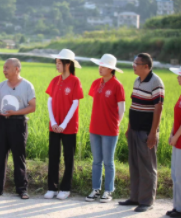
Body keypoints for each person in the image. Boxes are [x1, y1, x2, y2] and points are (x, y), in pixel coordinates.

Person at [0, 58, 36, 199]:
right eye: (3, 67)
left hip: (18, 123)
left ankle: (22, 189)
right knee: (0, 156)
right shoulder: (1, 86)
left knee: (19, 157)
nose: (4, 70)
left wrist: (14, 113)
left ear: (16, 69)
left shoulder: (27, 85)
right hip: (2, 123)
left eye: (7, 68)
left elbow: (32, 107)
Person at [119, 53, 164, 213]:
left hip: (146, 132)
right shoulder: (137, 80)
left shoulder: (155, 81)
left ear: (146, 66)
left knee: (147, 167)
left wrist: (152, 133)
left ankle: (147, 201)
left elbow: (158, 109)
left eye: (136, 63)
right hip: (134, 130)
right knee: (135, 165)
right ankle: (135, 197)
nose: (133, 66)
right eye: (134, 63)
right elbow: (134, 105)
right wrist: (130, 126)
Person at [85, 54, 126, 203]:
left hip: (110, 130)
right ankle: (95, 189)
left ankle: (108, 190)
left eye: (103, 66)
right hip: (95, 128)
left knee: (108, 161)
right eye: (99, 66)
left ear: (111, 69)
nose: (100, 68)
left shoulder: (117, 85)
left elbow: (122, 108)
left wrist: (116, 123)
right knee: (96, 161)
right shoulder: (96, 83)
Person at [44, 49, 84, 200]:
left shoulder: (75, 81)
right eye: (56, 63)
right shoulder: (55, 80)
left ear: (68, 64)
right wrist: (54, 121)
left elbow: (75, 103)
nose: (57, 66)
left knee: (68, 158)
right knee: (53, 156)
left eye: (59, 63)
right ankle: (52, 188)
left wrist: (64, 123)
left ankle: (65, 188)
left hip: (69, 126)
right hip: (54, 126)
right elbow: (49, 100)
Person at [167, 67, 181, 217]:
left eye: (180, 76)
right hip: (177, 141)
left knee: (180, 177)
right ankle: (177, 207)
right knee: (175, 176)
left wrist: (176, 136)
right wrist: (172, 134)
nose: (178, 78)